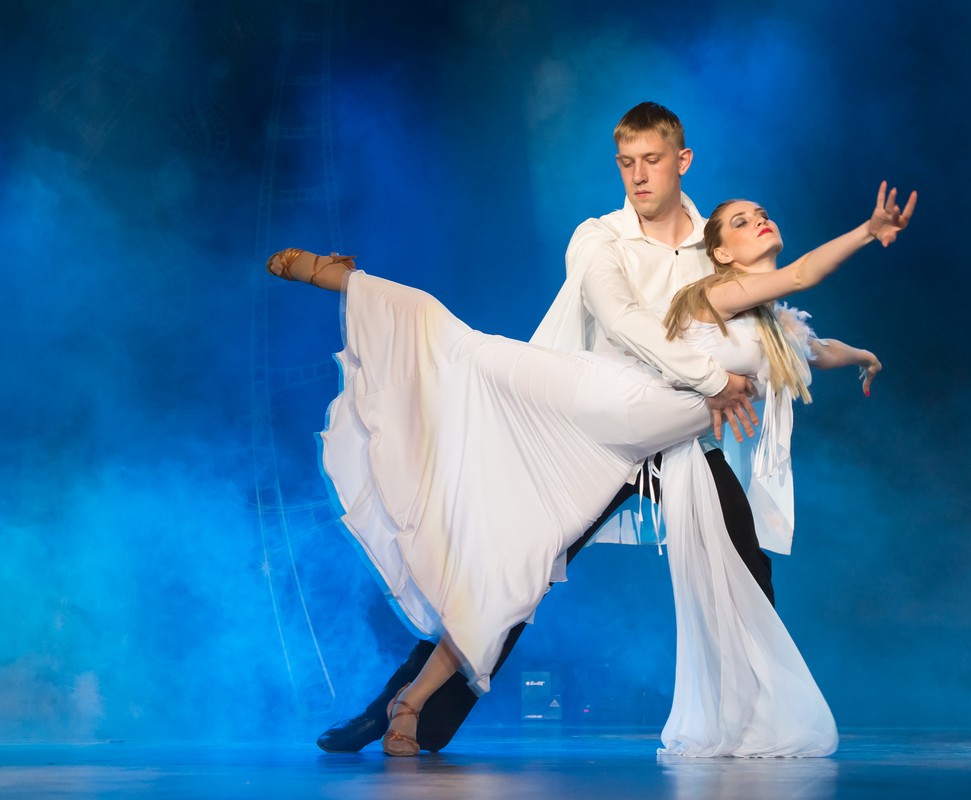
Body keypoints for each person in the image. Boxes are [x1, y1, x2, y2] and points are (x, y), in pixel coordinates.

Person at [268, 178, 916, 756]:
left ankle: (752, 709)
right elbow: (777, 281)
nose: (640, 173)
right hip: (602, 413)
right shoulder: (623, 245)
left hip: (674, 447)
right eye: (630, 161)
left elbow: (810, 343)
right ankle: (407, 707)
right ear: (720, 251)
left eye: (653, 159)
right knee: (474, 374)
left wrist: (863, 357)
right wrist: (866, 231)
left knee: (740, 558)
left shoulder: (758, 307)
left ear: (681, 161)